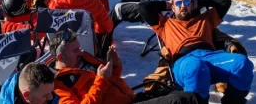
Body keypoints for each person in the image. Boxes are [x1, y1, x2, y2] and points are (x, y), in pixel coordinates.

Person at [136, 0, 252, 103]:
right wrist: (167, 4)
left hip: (210, 56)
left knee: (242, 63)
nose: (183, 6)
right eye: (178, 3)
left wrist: (198, 2)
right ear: (172, 7)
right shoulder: (165, 24)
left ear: (192, 5)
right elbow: (143, 8)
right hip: (183, 61)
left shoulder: (205, 19)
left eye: (186, 2)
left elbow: (224, 2)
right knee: (196, 66)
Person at [51, 32, 203, 104]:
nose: (81, 52)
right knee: (182, 101)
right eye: (75, 50)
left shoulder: (82, 58)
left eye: (79, 48)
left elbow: (113, 78)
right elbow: (102, 82)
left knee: (185, 94)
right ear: (60, 58)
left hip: (131, 98)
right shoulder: (60, 84)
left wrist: (115, 64)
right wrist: (101, 80)